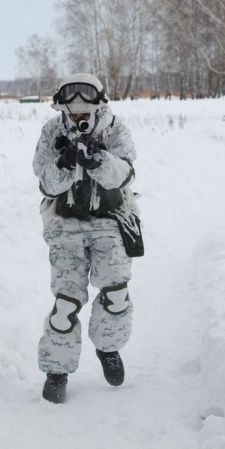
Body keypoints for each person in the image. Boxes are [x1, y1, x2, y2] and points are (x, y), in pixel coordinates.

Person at [32, 72, 142, 404]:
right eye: (72, 112)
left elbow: (124, 174)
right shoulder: (52, 132)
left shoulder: (114, 129)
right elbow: (45, 183)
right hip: (65, 225)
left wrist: (98, 160)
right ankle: (57, 369)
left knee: (116, 295)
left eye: (84, 112)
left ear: (98, 107)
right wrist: (65, 163)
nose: (78, 118)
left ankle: (108, 348)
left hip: (109, 220)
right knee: (66, 303)